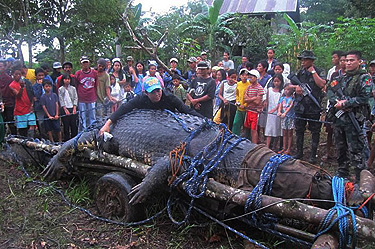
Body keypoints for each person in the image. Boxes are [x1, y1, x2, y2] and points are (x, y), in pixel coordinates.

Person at [99, 76, 202, 135]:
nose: (157, 94)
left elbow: (187, 110)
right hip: (145, 128)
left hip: (168, 128)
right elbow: (124, 108)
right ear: (146, 93)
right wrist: (107, 124)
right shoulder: (140, 98)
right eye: (153, 92)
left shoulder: (170, 97)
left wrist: (207, 121)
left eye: (158, 90)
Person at [327, 50, 373, 182]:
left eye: (351, 60)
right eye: (346, 60)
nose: (348, 63)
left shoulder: (364, 78)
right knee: (340, 148)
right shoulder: (339, 78)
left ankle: (360, 178)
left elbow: (364, 97)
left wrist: (346, 103)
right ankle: (342, 173)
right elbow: (330, 91)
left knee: (356, 151)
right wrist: (337, 102)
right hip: (339, 120)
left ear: (359, 62)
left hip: (354, 121)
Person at [293, 50, 326, 163]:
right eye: (302, 59)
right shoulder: (299, 73)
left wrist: (313, 72)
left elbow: (322, 84)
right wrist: (295, 87)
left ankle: (313, 155)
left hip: (313, 107)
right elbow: (290, 84)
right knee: (299, 130)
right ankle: (299, 153)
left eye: (305, 59)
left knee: (315, 131)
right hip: (300, 106)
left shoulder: (319, 71)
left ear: (311, 61)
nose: (302, 62)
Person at [9, 64, 37, 137]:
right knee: (22, 129)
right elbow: (18, 96)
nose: (18, 76)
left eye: (19, 74)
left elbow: (31, 94)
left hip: (29, 108)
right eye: (16, 74)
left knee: (32, 125)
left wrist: (32, 105)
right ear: (13, 75)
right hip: (20, 110)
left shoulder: (26, 82)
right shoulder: (12, 85)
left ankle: (31, 140)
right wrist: (21, 88)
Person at [75, 56, 97, 130]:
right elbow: (76, 84)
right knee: (82, 116)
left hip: (92, 97)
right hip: (82, 98)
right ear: (81, 64)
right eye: (83, 63)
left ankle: (92, 130)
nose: (85, 65)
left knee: (92, 116)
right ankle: (83, 131)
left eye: (86, 63)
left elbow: (96, 84)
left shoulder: (94, 73)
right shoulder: (78, 73)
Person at [243, 69, 265, 143]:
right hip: (249, 110)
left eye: (251, 77)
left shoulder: (260, 88)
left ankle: (254, 144)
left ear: (256, 78)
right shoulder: (249, 87)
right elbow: (244, 99)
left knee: (253, 129)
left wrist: (250, 99)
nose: (249, 78)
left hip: (255, 112)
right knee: (246, 127)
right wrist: (254, 98)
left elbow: (257, 102)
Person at [265, 74, 283, 149]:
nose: (276, 83)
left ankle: (275, 146)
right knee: (269, 129)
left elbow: (280, 103)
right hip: (269, 113)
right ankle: (267, 146)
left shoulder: (282, 92)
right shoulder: (269, 90)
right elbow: (267, 100)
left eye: (278, 81)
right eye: (275, 81)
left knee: (277, 129)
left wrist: (275, 109)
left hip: (277, 113)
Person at [58, 73, 78, 141]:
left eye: (68, 79)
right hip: (65, 109)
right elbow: (61, 100)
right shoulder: (60, 89)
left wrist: (74, 108)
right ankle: (67, 139)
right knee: (66, 126)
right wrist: (65, 109)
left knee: (73, 125)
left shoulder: (73, 88)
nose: (67, 80)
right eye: (65, 79)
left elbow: (75, 98)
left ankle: (74, 139)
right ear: (63, 80)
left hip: (72, 108)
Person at [232, 68, 251, 137]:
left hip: (247, 109)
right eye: (243, 75)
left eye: (246, 75)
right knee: (236, 123)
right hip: (239, 108)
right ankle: (234, 136)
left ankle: (247, 138)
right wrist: (237, 101)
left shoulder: (249, 84)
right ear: (240, 76)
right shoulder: (238, 84)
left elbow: (250, 96)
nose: (244, 76)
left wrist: (245, 105)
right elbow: (237, 94)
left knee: (246, 125)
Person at [0, 58, 17, 135]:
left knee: (10, 121)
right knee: (2, 122)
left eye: (1, 66)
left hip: (9, 103)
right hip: (1, 103)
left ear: (5, 67)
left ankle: (15, 137)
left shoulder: (9, 79)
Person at [277, 84, 295, 155]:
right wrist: (279, 112)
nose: (286, 91)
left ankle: (288, 148)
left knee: (289, 133)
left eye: (288, 89)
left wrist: (285, 113)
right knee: (284, 132)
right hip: (283, 117)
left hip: (290, 117)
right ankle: (284, 147)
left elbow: (290, 107)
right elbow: (280, 106)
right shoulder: (282, 98)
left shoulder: (292, 99)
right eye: (285, 89)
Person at [32, 68, 47, 136]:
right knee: (41, 122)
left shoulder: (47, 83)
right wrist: (40, 86)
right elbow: (36, 96)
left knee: (48, 121)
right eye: (39, 75)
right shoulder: (34, 86)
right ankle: (42, 135)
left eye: (42, 75)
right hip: (39, 107)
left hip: (48, 106)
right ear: (36, 76)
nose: (41, 77)